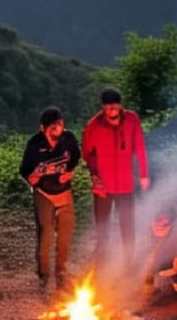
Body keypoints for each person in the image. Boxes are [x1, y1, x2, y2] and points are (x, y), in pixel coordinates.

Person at [81, 87, 149, 271]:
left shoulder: (132, 120)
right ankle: (101, 262)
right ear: (103, 108)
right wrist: (95, 176)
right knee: (103, 228)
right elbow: (87, 153)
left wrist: (144, 174)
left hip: (125, 184)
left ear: (120, 107)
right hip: (103, 186)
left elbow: (140, 147)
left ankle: (129, 263)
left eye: (115, 107)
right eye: (108, 108)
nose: (111, 111)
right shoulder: (94, 126)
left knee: (127, 226)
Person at [19, 106, 81, 292]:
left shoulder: (68, 139)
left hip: (63, 191)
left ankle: (61, 271)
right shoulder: (35, 145)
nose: (57, 130)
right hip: (44, 192)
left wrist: (69, 172)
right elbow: (24, 170)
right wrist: (32, 178)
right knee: (46, 232)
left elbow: (75, 158)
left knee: (65, 232)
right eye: (52, 127)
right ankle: (44, 275)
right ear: (43, 129)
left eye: (60, 125)